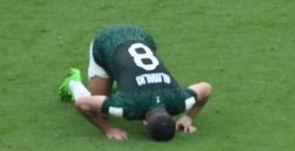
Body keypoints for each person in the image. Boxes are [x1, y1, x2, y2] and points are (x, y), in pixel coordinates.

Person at [58, 24, 213, 142]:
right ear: (144, 123)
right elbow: (82, 104)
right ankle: (73, 82)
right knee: (101, 114)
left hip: (141, 35)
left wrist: (186, 118)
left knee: (121, 84)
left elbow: (206, 88)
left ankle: (119, 83)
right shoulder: (128, 106)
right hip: (106, 42)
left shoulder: (179, 101)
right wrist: (107, 130)